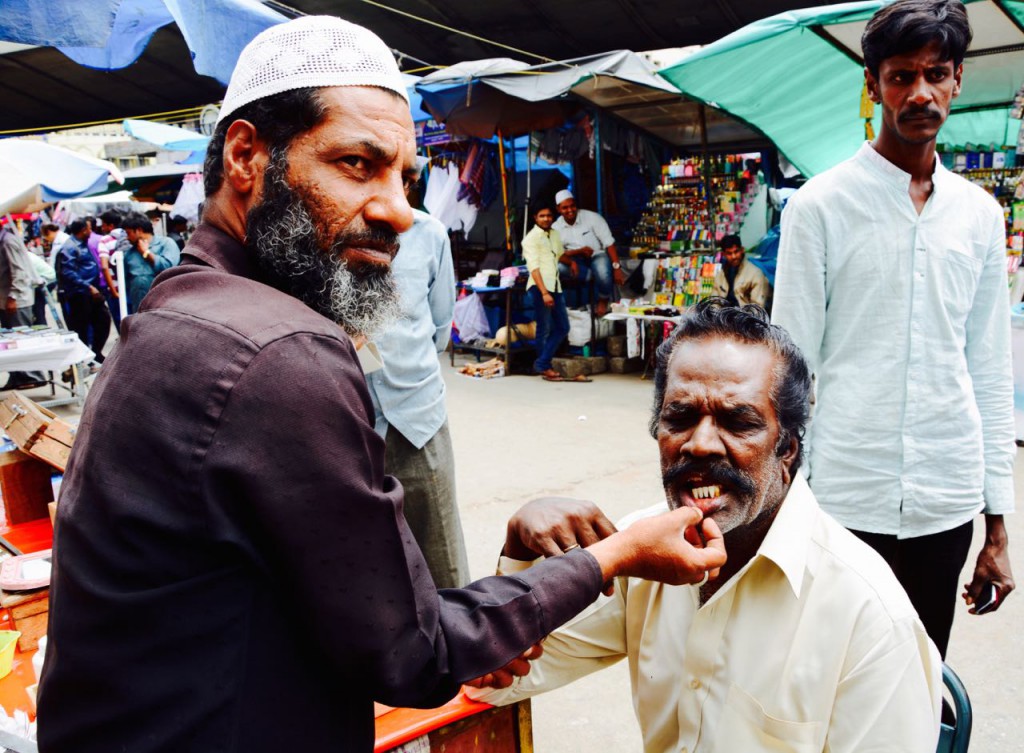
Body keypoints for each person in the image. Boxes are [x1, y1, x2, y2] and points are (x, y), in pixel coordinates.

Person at [37, 17, 727, 753]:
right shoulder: (281, 351)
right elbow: (412, 653)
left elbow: (347, 604)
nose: (399, 210)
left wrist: (509, 590)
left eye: (404, 177)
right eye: (357, 164)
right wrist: (612, 557)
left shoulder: (181, 311)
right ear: (247, 156)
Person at [468, 299, 942, 753]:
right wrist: (521, 550)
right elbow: (493, 680)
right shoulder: (640, 551)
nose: (700, 444)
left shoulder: (869, 616)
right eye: (681, 416)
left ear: (788, 449)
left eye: (738, 421)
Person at [771, 0, 1015, 658]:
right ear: (873, 84)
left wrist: (997, 523)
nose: (920, 93)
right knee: (832, 679)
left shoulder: (980, 217)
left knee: (922, 676)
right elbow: (790, 367)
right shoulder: (821, 205)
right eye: (901, 76)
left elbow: (990, 371)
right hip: (844, 496)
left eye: (935, 74)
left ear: (957, 79)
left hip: (947, 496)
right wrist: (782, 507)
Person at [365, 208, 470, 589]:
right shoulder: (322, 229)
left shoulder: (429, 233)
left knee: (442, 558)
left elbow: (441, 327)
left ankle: (455, 647)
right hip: (345, 419)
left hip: (418, 416)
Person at [552, 189, 625, 316]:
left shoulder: (593, 218)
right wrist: (577, 252)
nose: (570, 210)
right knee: (558, 267)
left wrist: (617, 267)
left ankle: (603, 299)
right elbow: (556, 253)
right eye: (565, 208)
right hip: (574, 260)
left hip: (596, 255)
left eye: (572, 206)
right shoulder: (555, 228)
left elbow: (609, 243)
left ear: (576, 205)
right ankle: (591, 276)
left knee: (602, 270)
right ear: (558, 209)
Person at [523, 205, 570, 380]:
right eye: (542, 216)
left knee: (563, 327)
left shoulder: (555, 234)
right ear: (535, 217)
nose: (546, 219)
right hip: (540, 288)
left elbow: (558, 255)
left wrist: (571, 262)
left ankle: (542, 362)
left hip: (555, 286)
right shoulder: (531, 239)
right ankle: (544, 366)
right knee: (544, 328)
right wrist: (544, 292)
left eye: (549, 215)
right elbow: (534, 268)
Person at [0, 222, 46, 390]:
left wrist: (12, 296)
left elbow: (19, 271)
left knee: (21, 340)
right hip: (7, 300)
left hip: (17, 300)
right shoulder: (5, 240)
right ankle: (17, 376)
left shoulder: (8, 241)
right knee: (11, 341)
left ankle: (31, 376)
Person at [58, 219, 111, 364]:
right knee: (81, 327)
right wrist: (88, 287)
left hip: (91, 292)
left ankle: (95, 352)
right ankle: (83, 359)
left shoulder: (83, 244)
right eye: (88, 229)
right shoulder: (70, 247)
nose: (91, 232)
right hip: (79, 293)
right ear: (82, 230)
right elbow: (68, 272)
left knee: (103, 321)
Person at [120, 211, 181, 313]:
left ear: (139, 230)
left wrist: (146, 253)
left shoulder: (166, 244)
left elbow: (169, 268)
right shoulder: (129, 254)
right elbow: (126, 281)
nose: (127, 237)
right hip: (139, 309)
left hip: (165, 307)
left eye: (128, 233)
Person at [712, 233, 770, 308]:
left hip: (745, 317)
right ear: (724, 254)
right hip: (724, 316)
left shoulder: (755, 274)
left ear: (742, 250)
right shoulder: (720, 275)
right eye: (729, 253)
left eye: (736, 252)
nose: (734, 256)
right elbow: (714, 302)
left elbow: (757, 308)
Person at [96, 209, 125, 330]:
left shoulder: (105, 240)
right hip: (130, 287)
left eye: (103, 224)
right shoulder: (130, 235)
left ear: (110, 225)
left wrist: (113, 291)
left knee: (121, 324)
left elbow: (104, 266)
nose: (102, 228)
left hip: (115, 288)